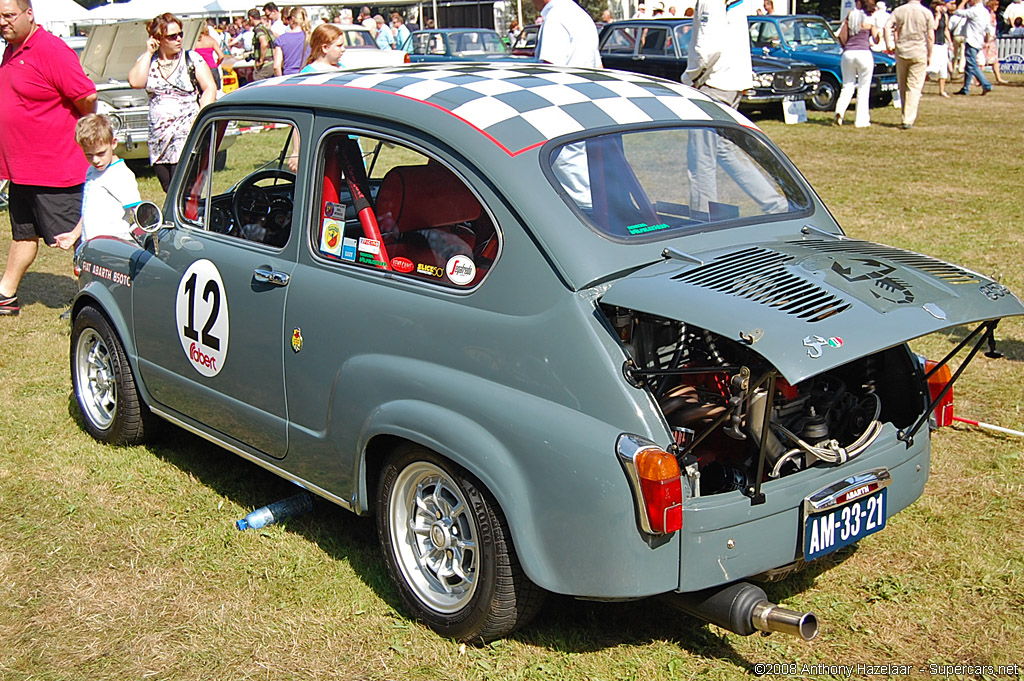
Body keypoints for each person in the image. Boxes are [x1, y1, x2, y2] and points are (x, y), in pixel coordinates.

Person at [0, 0, 97, 317]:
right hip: (22, 170)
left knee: (82, 238)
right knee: (23, 234)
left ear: (29, 14)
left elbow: (87, 97)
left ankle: (93, 301)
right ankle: (5, 295)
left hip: (56, 170)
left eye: (9, 15)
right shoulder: (12, 50)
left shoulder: (51, 50)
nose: (3, 22)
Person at [127, 13, 216, 192]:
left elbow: (209, 87)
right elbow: (135, 82)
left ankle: (190, 218)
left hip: (186, 132)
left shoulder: (192, 59)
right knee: (168, 188)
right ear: (158, 39)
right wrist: (149, 52)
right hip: (158, 137)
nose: (178, 39)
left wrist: (200, 118)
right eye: (172, 36)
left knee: (184, 187)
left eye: (180, 34)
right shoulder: (149, 61)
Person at [54, 114, 142, 251]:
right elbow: (90, 210)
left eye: (101, 153)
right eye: (89, 155)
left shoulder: (120, 175)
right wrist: (74, 235)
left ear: (113, 143)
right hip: (91, 247)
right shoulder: (92, 171)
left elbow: (139, 213)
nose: (95, 160)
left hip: (113, 249)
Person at [885, 0, 934, 129]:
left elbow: (887, 26)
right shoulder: (926, 12)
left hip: (902, 50)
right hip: (918, 51)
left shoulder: (899, 10)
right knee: (914, 86)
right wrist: (930, 54)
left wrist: (889, 44)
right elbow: (930, 37)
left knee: (903, 85)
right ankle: (908, 119)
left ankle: (905, 115)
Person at [834, 0, 880, 127]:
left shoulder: (850, 15)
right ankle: (861, 120)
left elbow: (840, 34)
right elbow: (876, 39)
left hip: (848, 53)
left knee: (847, 85)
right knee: (863, 89)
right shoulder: (870, 18)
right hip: (864, 53)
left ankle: (839, 112)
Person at [533, 0, 602, 68]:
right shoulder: (581, 14)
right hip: (586, 77)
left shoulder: (554, 17)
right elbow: (598, 67)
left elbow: (549, 68)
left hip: (563, 78)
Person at [953, 0, 993, 95]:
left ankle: (986, 84)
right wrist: (986, 41)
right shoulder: (985, 11)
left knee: (972, 65)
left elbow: (957, 12)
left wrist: (963, 1)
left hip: (971, 41)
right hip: (979, 41)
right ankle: (965, 88)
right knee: (968, 67)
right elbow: (988, 29)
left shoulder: (974, 10)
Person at [926, 0, 952, 97]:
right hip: (934, 44)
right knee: (930, 67)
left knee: (943, 67)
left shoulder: (945, 16)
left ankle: (942, 90)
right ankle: (919, 88)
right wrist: (937, 17)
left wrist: (950, 42)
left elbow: (946, 30)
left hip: (942, 44)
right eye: (939, 5)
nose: (941, 7)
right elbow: (934, 28)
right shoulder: (931, 16)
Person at [273, 7, 310, 76]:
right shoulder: (310, 37)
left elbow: (276, 66)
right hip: (307, 76)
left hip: (289, 77)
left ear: (292, 19)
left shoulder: (281, 39)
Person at [984, 0, 1009, 83]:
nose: (997, 7)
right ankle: (977, 80)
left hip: (992, 40)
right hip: (985, 40)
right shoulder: (986, 15)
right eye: (995, 5)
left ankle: (999, 78)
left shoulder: (993, 15)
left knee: (995, 60)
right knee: (981, 61)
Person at [195, 22, 224, 90]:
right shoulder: (211, 40)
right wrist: (217, 64)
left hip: (200, 69)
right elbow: (221, 55)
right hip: (212, 67)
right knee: (216, 91)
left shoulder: (194, 42)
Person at [250, 8, 276, 81]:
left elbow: (264, 43)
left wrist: (261, 60)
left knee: (257, 82)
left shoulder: (259, 29)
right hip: (272, 62)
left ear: (251, 18)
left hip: (265, 64)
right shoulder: (266, 28)